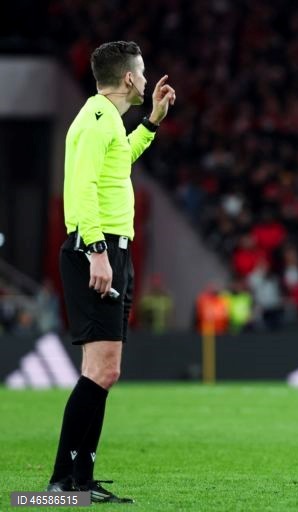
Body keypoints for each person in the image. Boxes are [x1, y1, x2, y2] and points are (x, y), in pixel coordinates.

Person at [48, 41, 176, 503]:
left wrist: (153, 122)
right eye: (141, 73)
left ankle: (80, 480)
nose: (146, 80)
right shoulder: (94, 121)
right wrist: (98, 252)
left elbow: (122, 161)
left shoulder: (105, 122)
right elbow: (80, 191)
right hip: (96, 251)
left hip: (112, 251)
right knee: (103, 370)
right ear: (128, 79)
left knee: (101, 371)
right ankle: (60, 481)